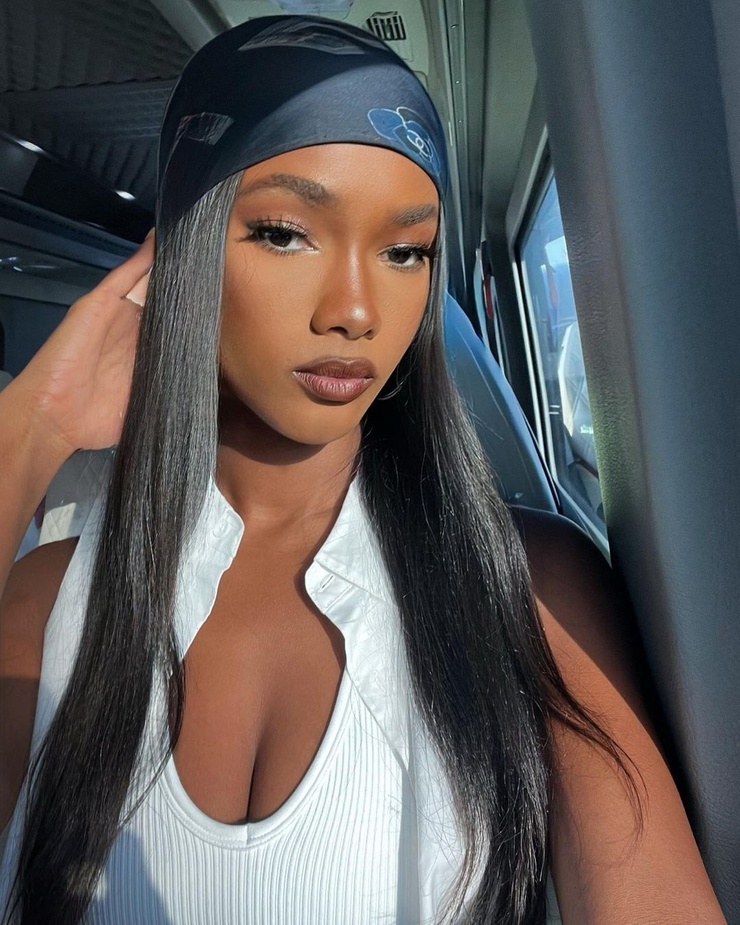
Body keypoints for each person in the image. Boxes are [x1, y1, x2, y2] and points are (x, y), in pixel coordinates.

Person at [0, 15, 725, 925]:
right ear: (184, 249)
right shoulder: (51, 599)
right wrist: (33, 427)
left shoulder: (527, 586)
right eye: (285, 233)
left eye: (404, 251)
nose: (355, 309)